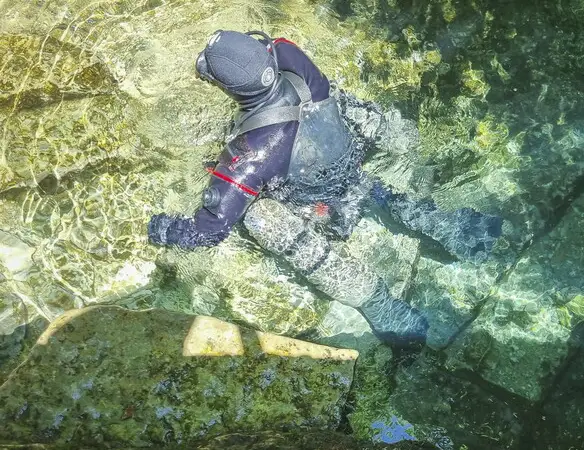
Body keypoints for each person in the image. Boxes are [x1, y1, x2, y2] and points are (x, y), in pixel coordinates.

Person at [148, 30, 502, 345]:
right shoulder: (287, 52)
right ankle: (439, 216)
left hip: (312, 198)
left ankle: (377, 303)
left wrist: (166, 230)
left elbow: (208, 234)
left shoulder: (249, 156)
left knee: (258, 218)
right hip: (345, 148)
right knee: (347, 112)